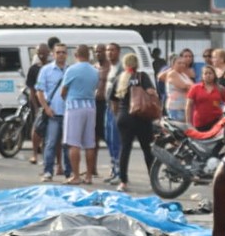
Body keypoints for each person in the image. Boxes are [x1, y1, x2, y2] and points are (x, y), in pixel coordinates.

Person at [109, 52, 157, 193]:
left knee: (125, 149)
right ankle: (153, 181)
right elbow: (152, 92)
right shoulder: (142, 76)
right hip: (141, 116)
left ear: (125, 64)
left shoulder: (120, 78)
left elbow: (113, 99)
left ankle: (123, 182)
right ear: (137, 64)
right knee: (147, 149)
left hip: (124, 117)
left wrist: (117, 114)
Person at [61, 44, 99, 185]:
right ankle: (88, 176)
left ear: (76, 55)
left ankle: (76, 176)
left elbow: (63, 91)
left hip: (74, 107)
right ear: (88, 56)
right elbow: (95, 88)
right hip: (90, 107)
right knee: (89, 144)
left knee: (73, 143)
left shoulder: (71, 70)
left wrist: (67, 99)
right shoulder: (95, 71)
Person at [36, 43, 71, 182]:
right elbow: (39, 91)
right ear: (53, 54)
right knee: (50, 144)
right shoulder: (46, 70)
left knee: (67, 145)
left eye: (63, 52)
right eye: (58, 52)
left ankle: (69, 173)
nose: (61, 55)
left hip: (68, 113)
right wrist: (46, 108)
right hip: (53, 114)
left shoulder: (70, 70)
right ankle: (48, 171)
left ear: (67, 54)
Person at [102, 42, 123, 183]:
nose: (109, 53)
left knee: (116, 141)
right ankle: (114, 170)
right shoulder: (111, 68)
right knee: (109, 140)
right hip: (108, 107)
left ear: (118, 52)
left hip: (117, 108)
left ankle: (120, 173)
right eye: (108, 50)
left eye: (112, 50)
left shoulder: (121, 68)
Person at [186, 65, 225, 131]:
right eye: (205, 73)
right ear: (202, 76)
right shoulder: (195, 88)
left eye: (210, 73)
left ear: (214, 75)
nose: (208, 75)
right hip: (199, 122)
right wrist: (188, 123)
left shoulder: (220, 89)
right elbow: (189, 106)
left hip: (217, 121)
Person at [26, 43, 51, 165]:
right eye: (38, 52)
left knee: (50, 130)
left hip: (50, 103)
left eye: (43, 52)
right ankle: (34, 154)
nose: (41, 55)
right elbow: (32, 90)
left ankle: (48, 156)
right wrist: (36, 107)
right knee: (36, 129)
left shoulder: (52, 68)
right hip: (38, 103)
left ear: (48, 53)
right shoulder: (33, 69)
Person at [161, 54, 194, 122]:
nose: (182, 65)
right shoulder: (172, 73)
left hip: (184, 107)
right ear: (173, 65)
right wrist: (191, 86)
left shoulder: (183, 75)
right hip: (175, 108)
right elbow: (185, 86)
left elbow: (193, 86)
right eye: (179, 63)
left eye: (183, 63)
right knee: (178, 127)